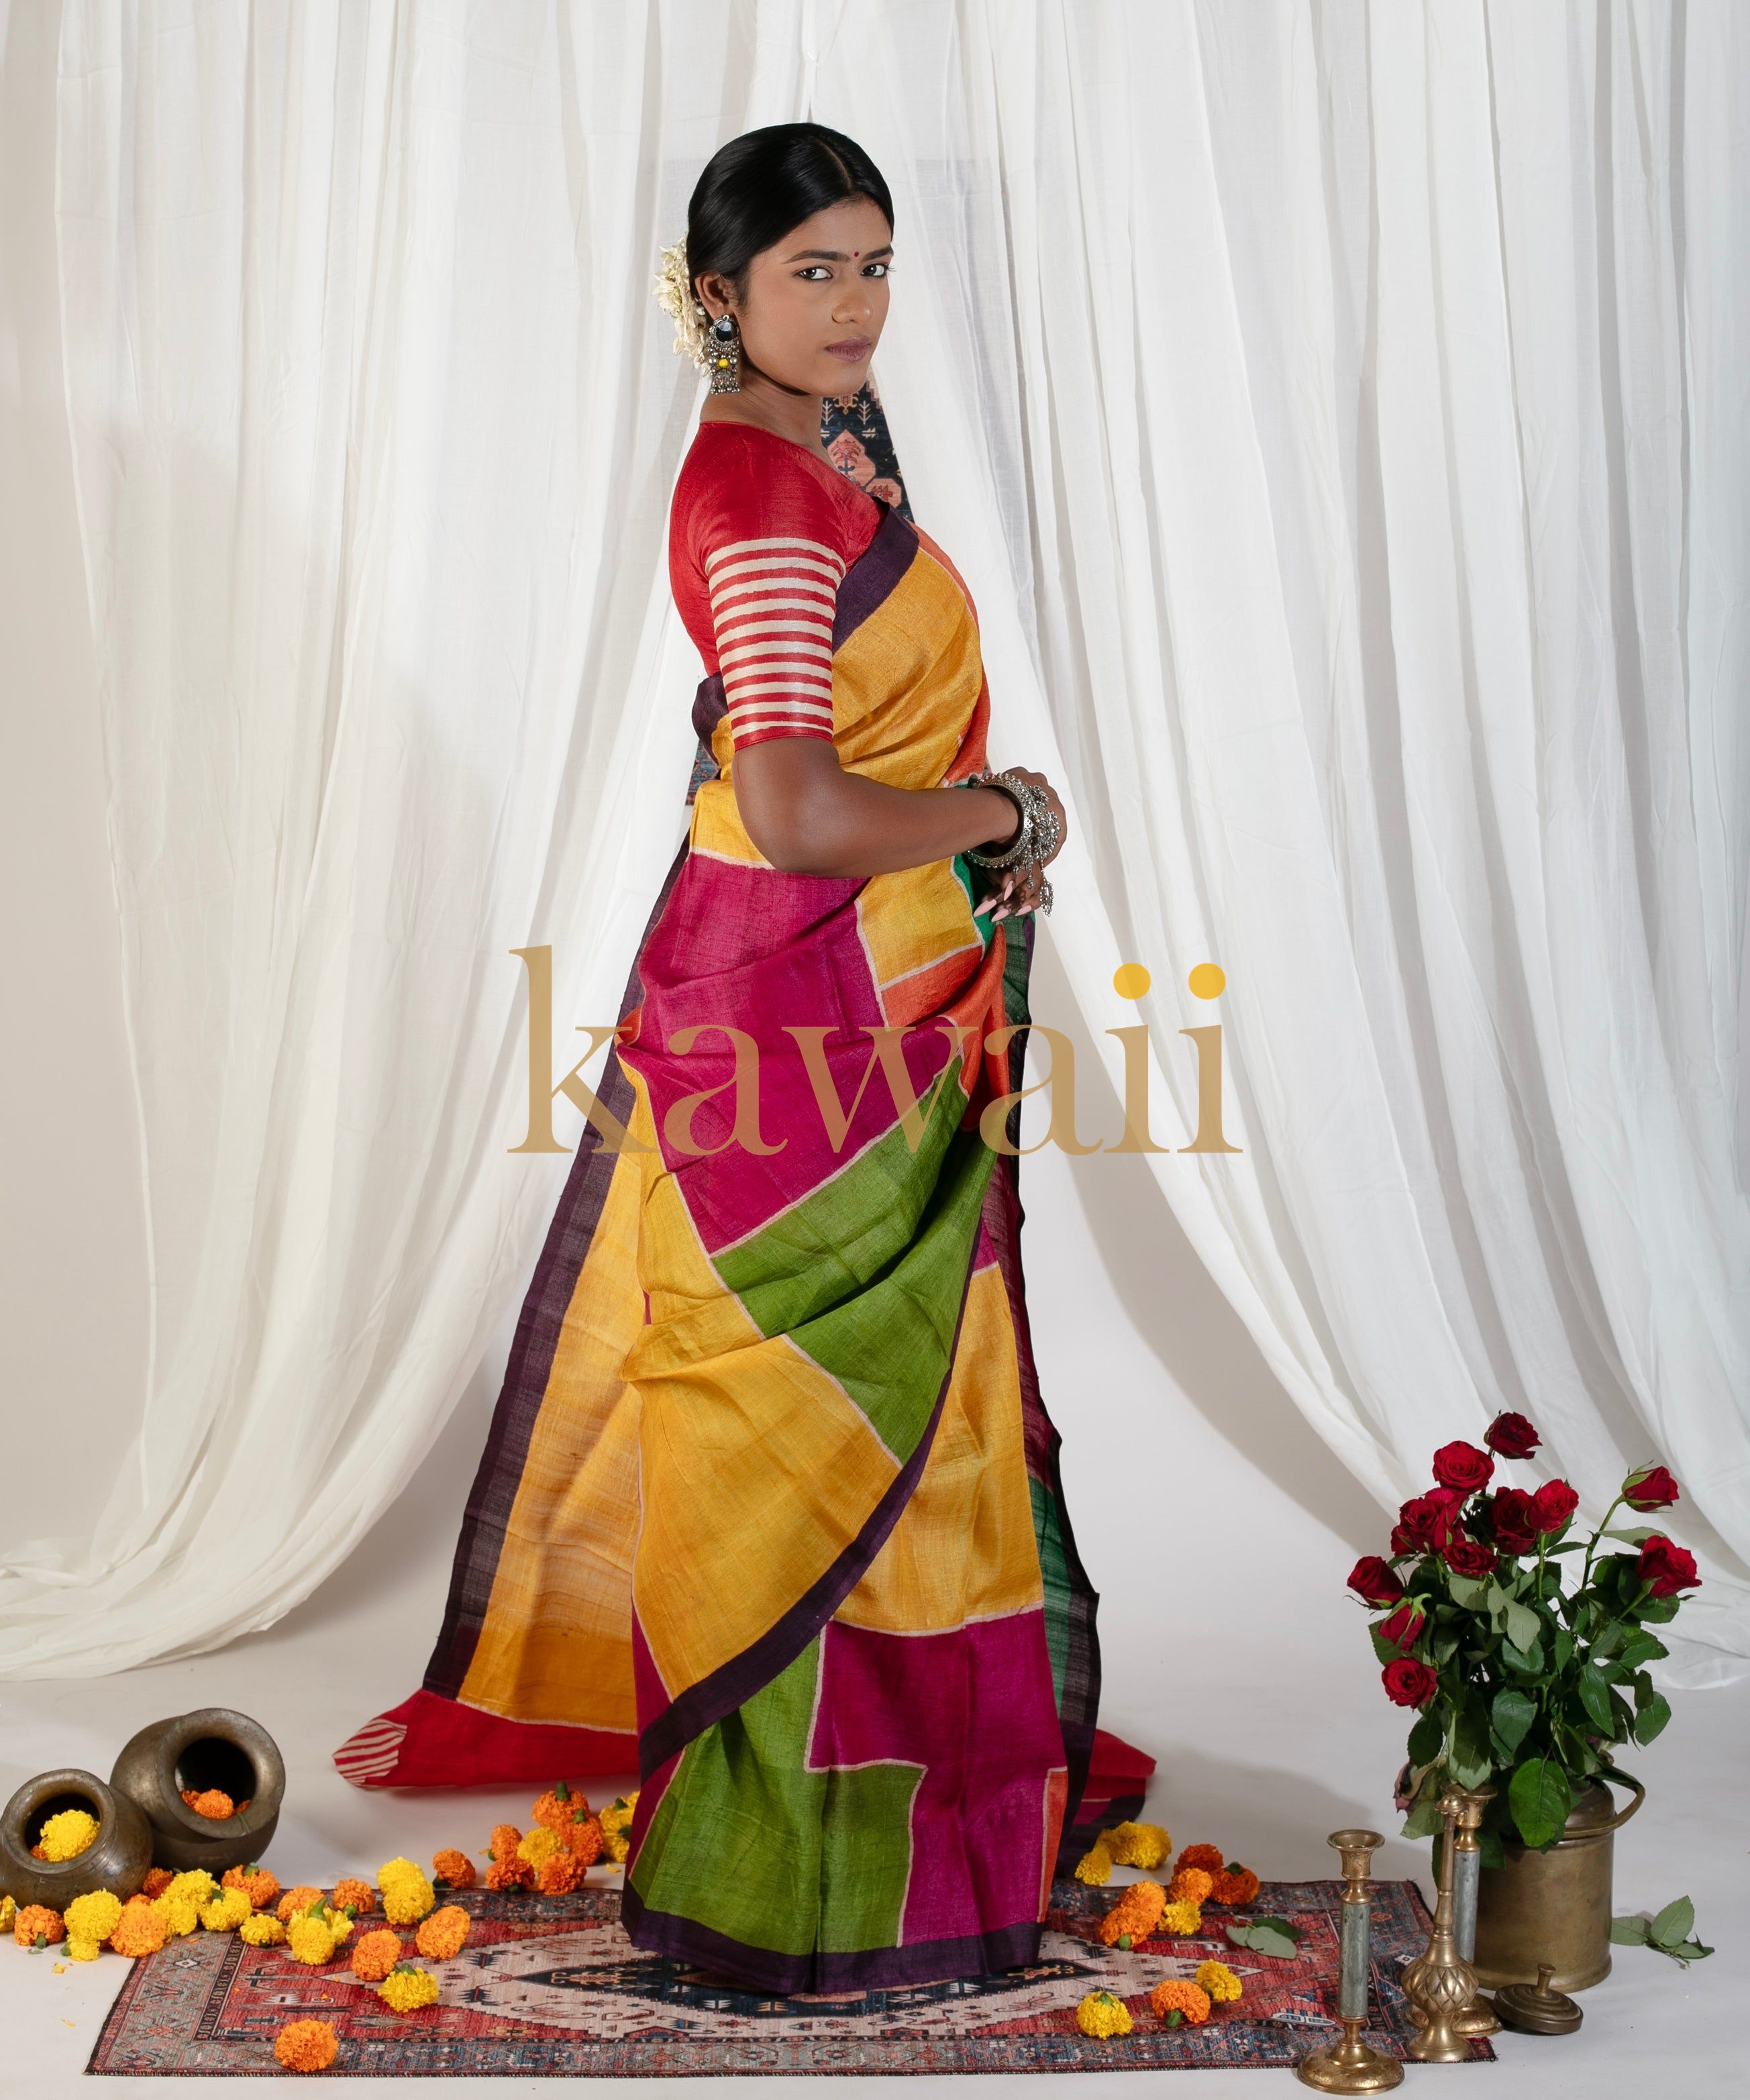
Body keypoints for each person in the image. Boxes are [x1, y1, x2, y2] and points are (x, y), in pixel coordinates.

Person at [336, 123, 1138, 1994]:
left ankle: (906, 1830)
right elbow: (789, 807)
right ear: (720, 294)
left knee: (894, 1424)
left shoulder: (821, 457)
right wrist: (1003, 804)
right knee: (778, 1428)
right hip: (791, 1020)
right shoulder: (763, 499)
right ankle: (786, 1875)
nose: (853, 303)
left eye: (872, 266)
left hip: (857, 1010)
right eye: (811, 271)